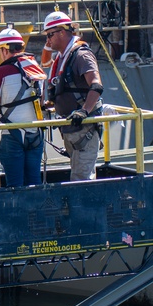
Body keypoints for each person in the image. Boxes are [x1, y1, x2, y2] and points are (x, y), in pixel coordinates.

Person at [42, 11, 104, 181]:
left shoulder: (81, 55)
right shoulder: (63, 57)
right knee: (77, 174)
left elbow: (96, 85)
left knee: (81, 179)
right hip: (72, 129)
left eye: (50, 35)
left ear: (62, 32)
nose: (48, 40)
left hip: (84, 129)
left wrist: (84, 111)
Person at [0, 28, 47, 186]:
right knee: (34, 182)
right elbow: (40, 102)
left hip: (13, 136)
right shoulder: (36, 68)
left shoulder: (1, 72)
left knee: (15, 185)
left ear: (5, 50)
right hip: (35, 134)